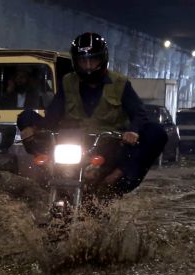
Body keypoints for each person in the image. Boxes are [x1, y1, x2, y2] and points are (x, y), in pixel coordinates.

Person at [17, 32, 167, 196]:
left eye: (92, 60)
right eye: (83, 60)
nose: (88, 66)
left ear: (102, 59)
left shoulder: (120, 83)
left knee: (156, 132)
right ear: (76, 62)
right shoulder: (68, 82)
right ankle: (47, 185)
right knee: (27, 117)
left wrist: (133, 131)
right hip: (73, 141)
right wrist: (30, 126)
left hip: (109, 144)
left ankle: (117, 176)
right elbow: (52, 117)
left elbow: (139, 113)